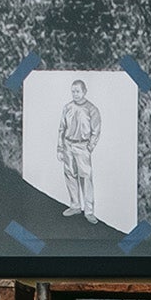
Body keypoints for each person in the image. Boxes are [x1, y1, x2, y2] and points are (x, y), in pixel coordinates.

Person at [58, 78, 102, 222]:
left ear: (84, 92)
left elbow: (96, 131)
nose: (75, 94)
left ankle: (89, 212)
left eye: (77, 91)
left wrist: (90, 146)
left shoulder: (92, 109)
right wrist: (60, 148)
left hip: (82, 147)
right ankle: (75, 206)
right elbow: (61, 128)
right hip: (68, 145)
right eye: (73, 91)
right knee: (70, 175)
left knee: (86, 179)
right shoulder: (67, 107)